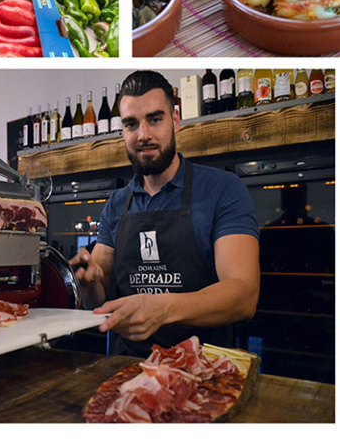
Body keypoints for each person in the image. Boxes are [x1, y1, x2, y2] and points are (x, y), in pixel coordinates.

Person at [71, 70, 260, 358]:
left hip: (204, 370)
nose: (143, 135)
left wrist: (161, 308)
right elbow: (99, 295)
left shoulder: (222, 190)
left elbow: (244, 295)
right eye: (131, 124)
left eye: (155, 119)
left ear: (175, 121)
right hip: (128, 369)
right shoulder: (116, 204)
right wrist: (87, 283)